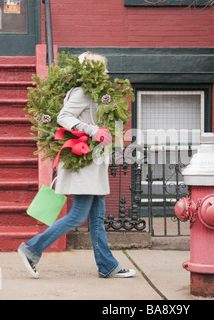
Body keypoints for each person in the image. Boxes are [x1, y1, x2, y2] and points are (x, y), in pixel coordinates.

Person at [18, 51, 136, 279]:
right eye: (102, 69)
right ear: (90, 70)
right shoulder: (82, 92)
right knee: (77, 216)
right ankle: (31, 249)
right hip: (84, 165)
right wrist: (93, 130)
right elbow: (64, 117)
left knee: (96, 218)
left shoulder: (98, 94)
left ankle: (107, 266)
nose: (107, 72)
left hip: (94, 164)